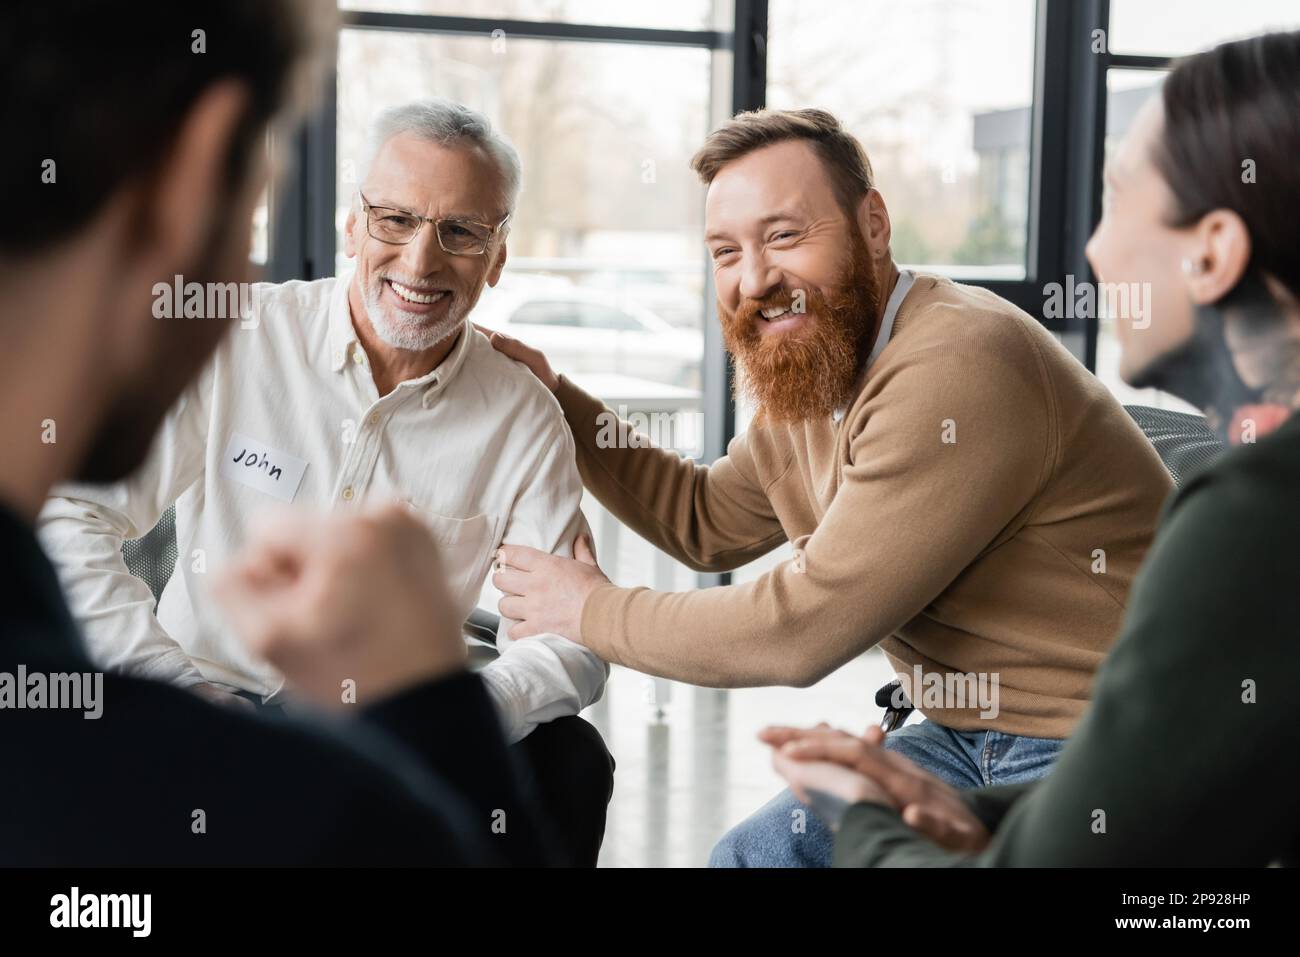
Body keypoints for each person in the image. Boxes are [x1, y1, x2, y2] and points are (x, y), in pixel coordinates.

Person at [486, 106, 1172, 866]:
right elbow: (704, 517)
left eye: (784, 236)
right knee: (750, 859)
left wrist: (588, 610)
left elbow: (801, 627)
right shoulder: (823, 368)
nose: (755, 279)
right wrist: (559, 400)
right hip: (959, 736)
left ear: (873, 224)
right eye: (724, 251)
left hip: (1105, 740)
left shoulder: (955, 365)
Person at [1, 0, 555, 866]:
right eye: (394, 220)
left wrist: (446, 701)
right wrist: (181, 692)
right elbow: (79, 516)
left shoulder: (525, 412)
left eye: (460, 232)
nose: (420, 261)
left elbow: (570, 631)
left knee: (569, 760)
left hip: (369, 725)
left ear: (498, 254)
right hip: (204, 694)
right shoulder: (244, 333)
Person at [768, 29, 1300, 868]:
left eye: (1118, 201)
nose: (1091, 249)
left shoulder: (1256, 514)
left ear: (1215, 252)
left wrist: (864, 813)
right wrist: (975, 811)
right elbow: (1194, 786)